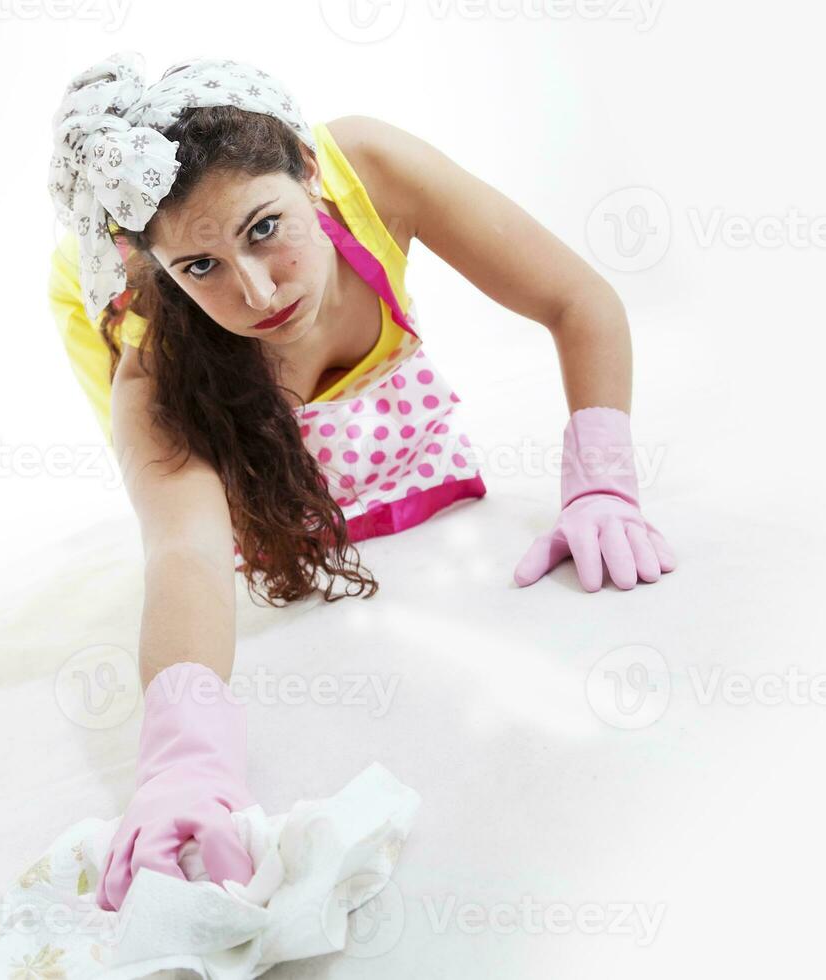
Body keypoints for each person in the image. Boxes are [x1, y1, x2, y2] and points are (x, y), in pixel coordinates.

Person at [45, 51, 676, 913]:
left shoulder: (373, 173)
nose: (257, 290)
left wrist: (602, 481)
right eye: (202, 268)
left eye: (265, 228)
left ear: (309, 171)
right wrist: (185, 760)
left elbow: (576, 299)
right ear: (162, 271)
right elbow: (185, 555)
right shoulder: (155, 371)